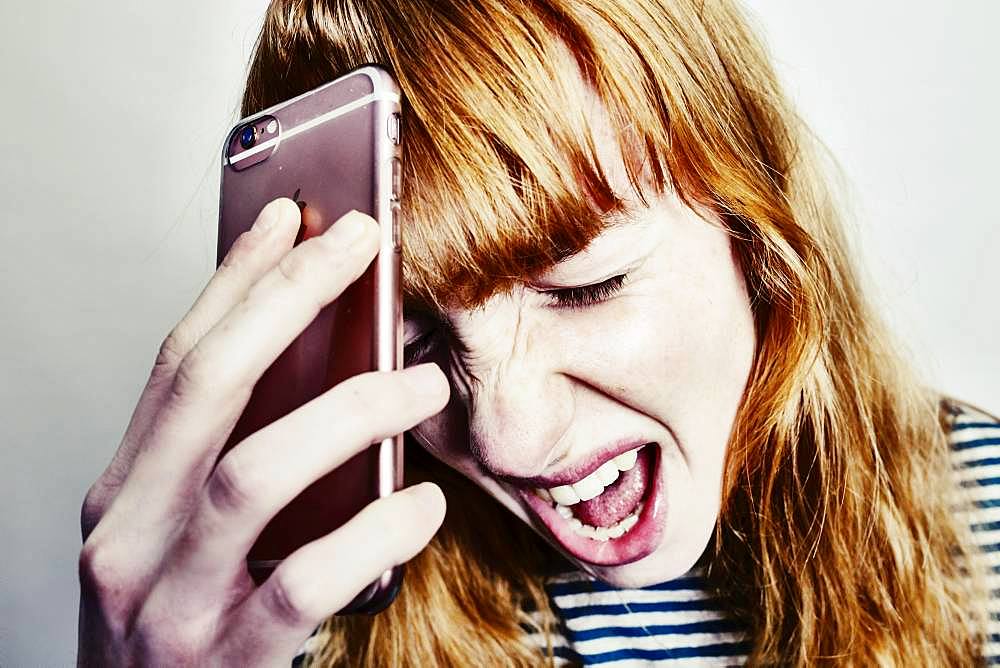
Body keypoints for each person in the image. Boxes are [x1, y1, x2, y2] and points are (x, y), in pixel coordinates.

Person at [77, 0, 1000, 665]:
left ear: (752, 229)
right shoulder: (299, 625)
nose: (502, 439)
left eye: (585, 286)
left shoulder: (985, 515)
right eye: (415, 341)